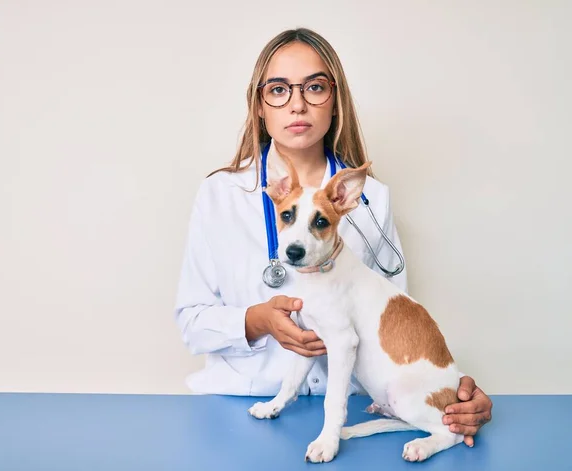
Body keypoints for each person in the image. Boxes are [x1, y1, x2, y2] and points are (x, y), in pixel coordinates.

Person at [173, 27, 492, 447]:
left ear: (335, 101)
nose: (298, 103)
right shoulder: (220, 195)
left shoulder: (371, 199)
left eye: (315, 87)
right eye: (279, 89)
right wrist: (256, 321)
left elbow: (389, 326)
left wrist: (448, 394)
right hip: (239, 406)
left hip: (352, 412)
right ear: (259, 105)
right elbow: (191, 322)